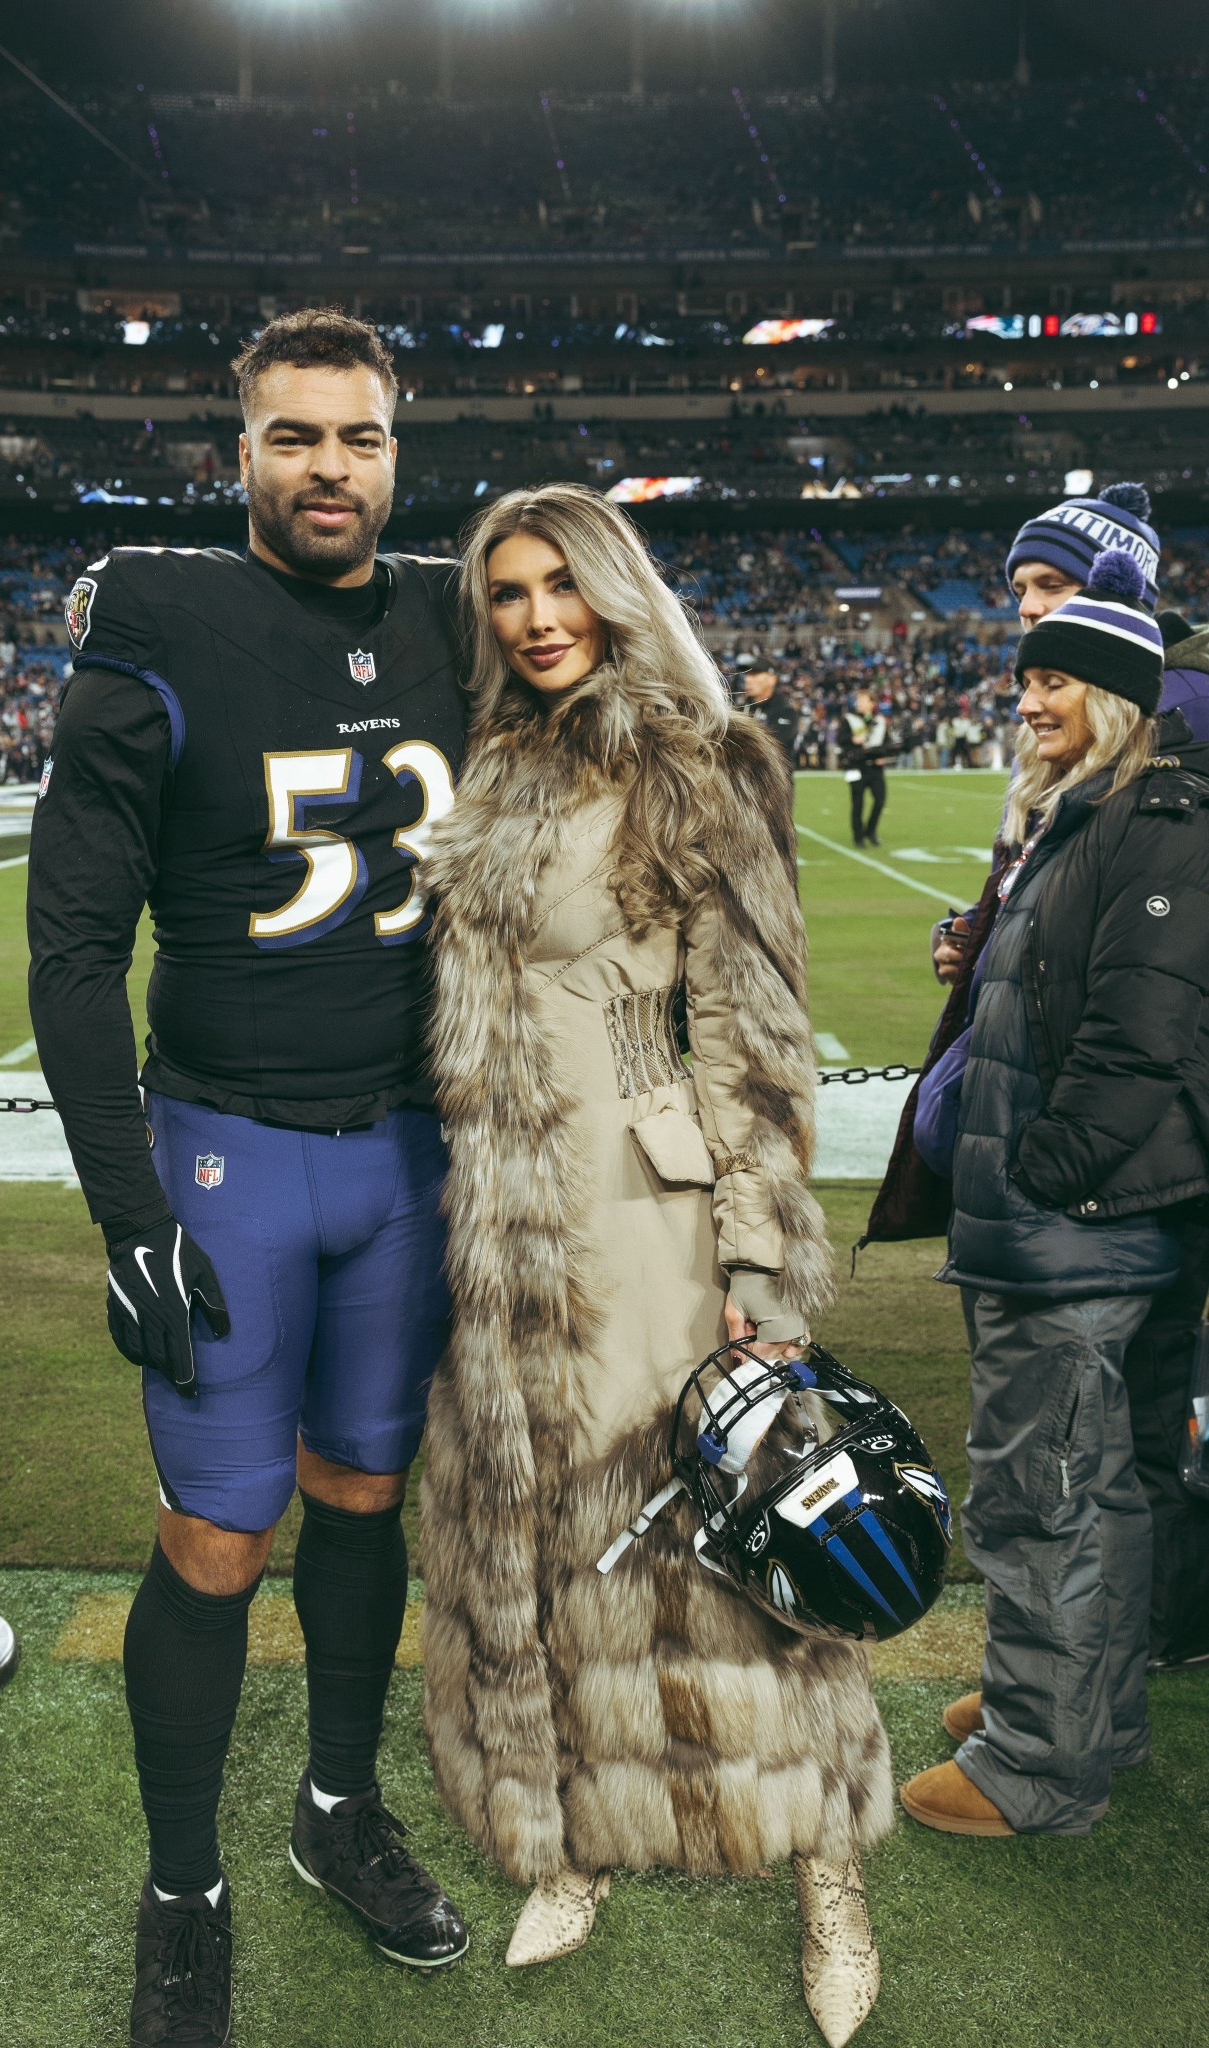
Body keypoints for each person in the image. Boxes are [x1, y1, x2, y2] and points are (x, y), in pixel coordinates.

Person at [27, 309, 470, 2048]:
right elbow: (73, 947)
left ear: (393, 450)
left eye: (355, 437)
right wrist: (128, 1211)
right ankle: (183, 1883)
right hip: (231, 1147)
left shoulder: (454, 607)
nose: (328, 468)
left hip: (412, 1149)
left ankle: (336, 1805)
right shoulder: (166, 616)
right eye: (292, 437)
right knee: (218, 1532)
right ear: (240, 454)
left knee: (368, 1498)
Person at [420, 485, 892, 2047]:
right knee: (550, 1546)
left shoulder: (702, 763)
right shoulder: (497, 764)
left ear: (619, 591)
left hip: (647, 1209)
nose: (537, 616)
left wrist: (760, 1258)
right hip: (501, 1233)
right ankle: (575, 1841)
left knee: (733, 1539)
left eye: (563, 585)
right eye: (508, 593)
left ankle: (830, 1869)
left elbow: (755, 1034)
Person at [892, 551, 1209, 1837]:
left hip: (1080, 1226)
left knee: (1047, 1491)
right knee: (1091, 1480)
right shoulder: (1095, 807)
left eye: (1058, 679)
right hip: (1085, 1222)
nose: (1027, 697)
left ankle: (1037, 1760)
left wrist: (1046, 1181)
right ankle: (1074, 1704)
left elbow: (1142, 1034)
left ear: (1123, 697)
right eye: (1024, 676)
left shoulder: (1153, 816)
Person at [837, 686, 891, 845]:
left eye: (862, 700)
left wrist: (883, 756)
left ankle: (871, 830)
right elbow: (841, 739)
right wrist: (852, 740)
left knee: (880, 800)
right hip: (856, 765)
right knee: (858, 802)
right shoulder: (849, 719)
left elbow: (886, 742)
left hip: (875, 767)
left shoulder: (880, 721)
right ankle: (858, 836)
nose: (858, 703)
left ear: (872, 703)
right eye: (858, 700)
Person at [741, 658, 800, 772]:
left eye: (755, 675)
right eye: (747, 675)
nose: (748, 679)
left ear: (772, 679)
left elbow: (775, 746)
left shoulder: (785, 711)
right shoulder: (739, 708)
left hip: (774, 784)